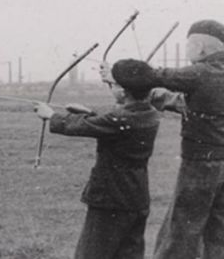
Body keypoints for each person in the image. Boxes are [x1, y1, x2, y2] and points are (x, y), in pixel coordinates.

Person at [35, 59, 160, 259]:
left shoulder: (121, 119)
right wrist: (90, 113)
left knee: (93, 253)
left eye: (112, 84)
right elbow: (110, 124)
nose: (111, 88)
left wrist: (51, 116)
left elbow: (93, 126)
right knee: (128, 253)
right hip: (136, 196)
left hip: (110, 198)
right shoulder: (149, 113)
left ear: (123, 91)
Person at [134, 19, 224, 259]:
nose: (187, 52)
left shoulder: (200, 72)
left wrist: (120, 72)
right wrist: (155, 95)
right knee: (218, 230)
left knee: (183, 226)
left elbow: (153, 75)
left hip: (201, 164)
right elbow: (187, 102)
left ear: (200, 48)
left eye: (189, 46)